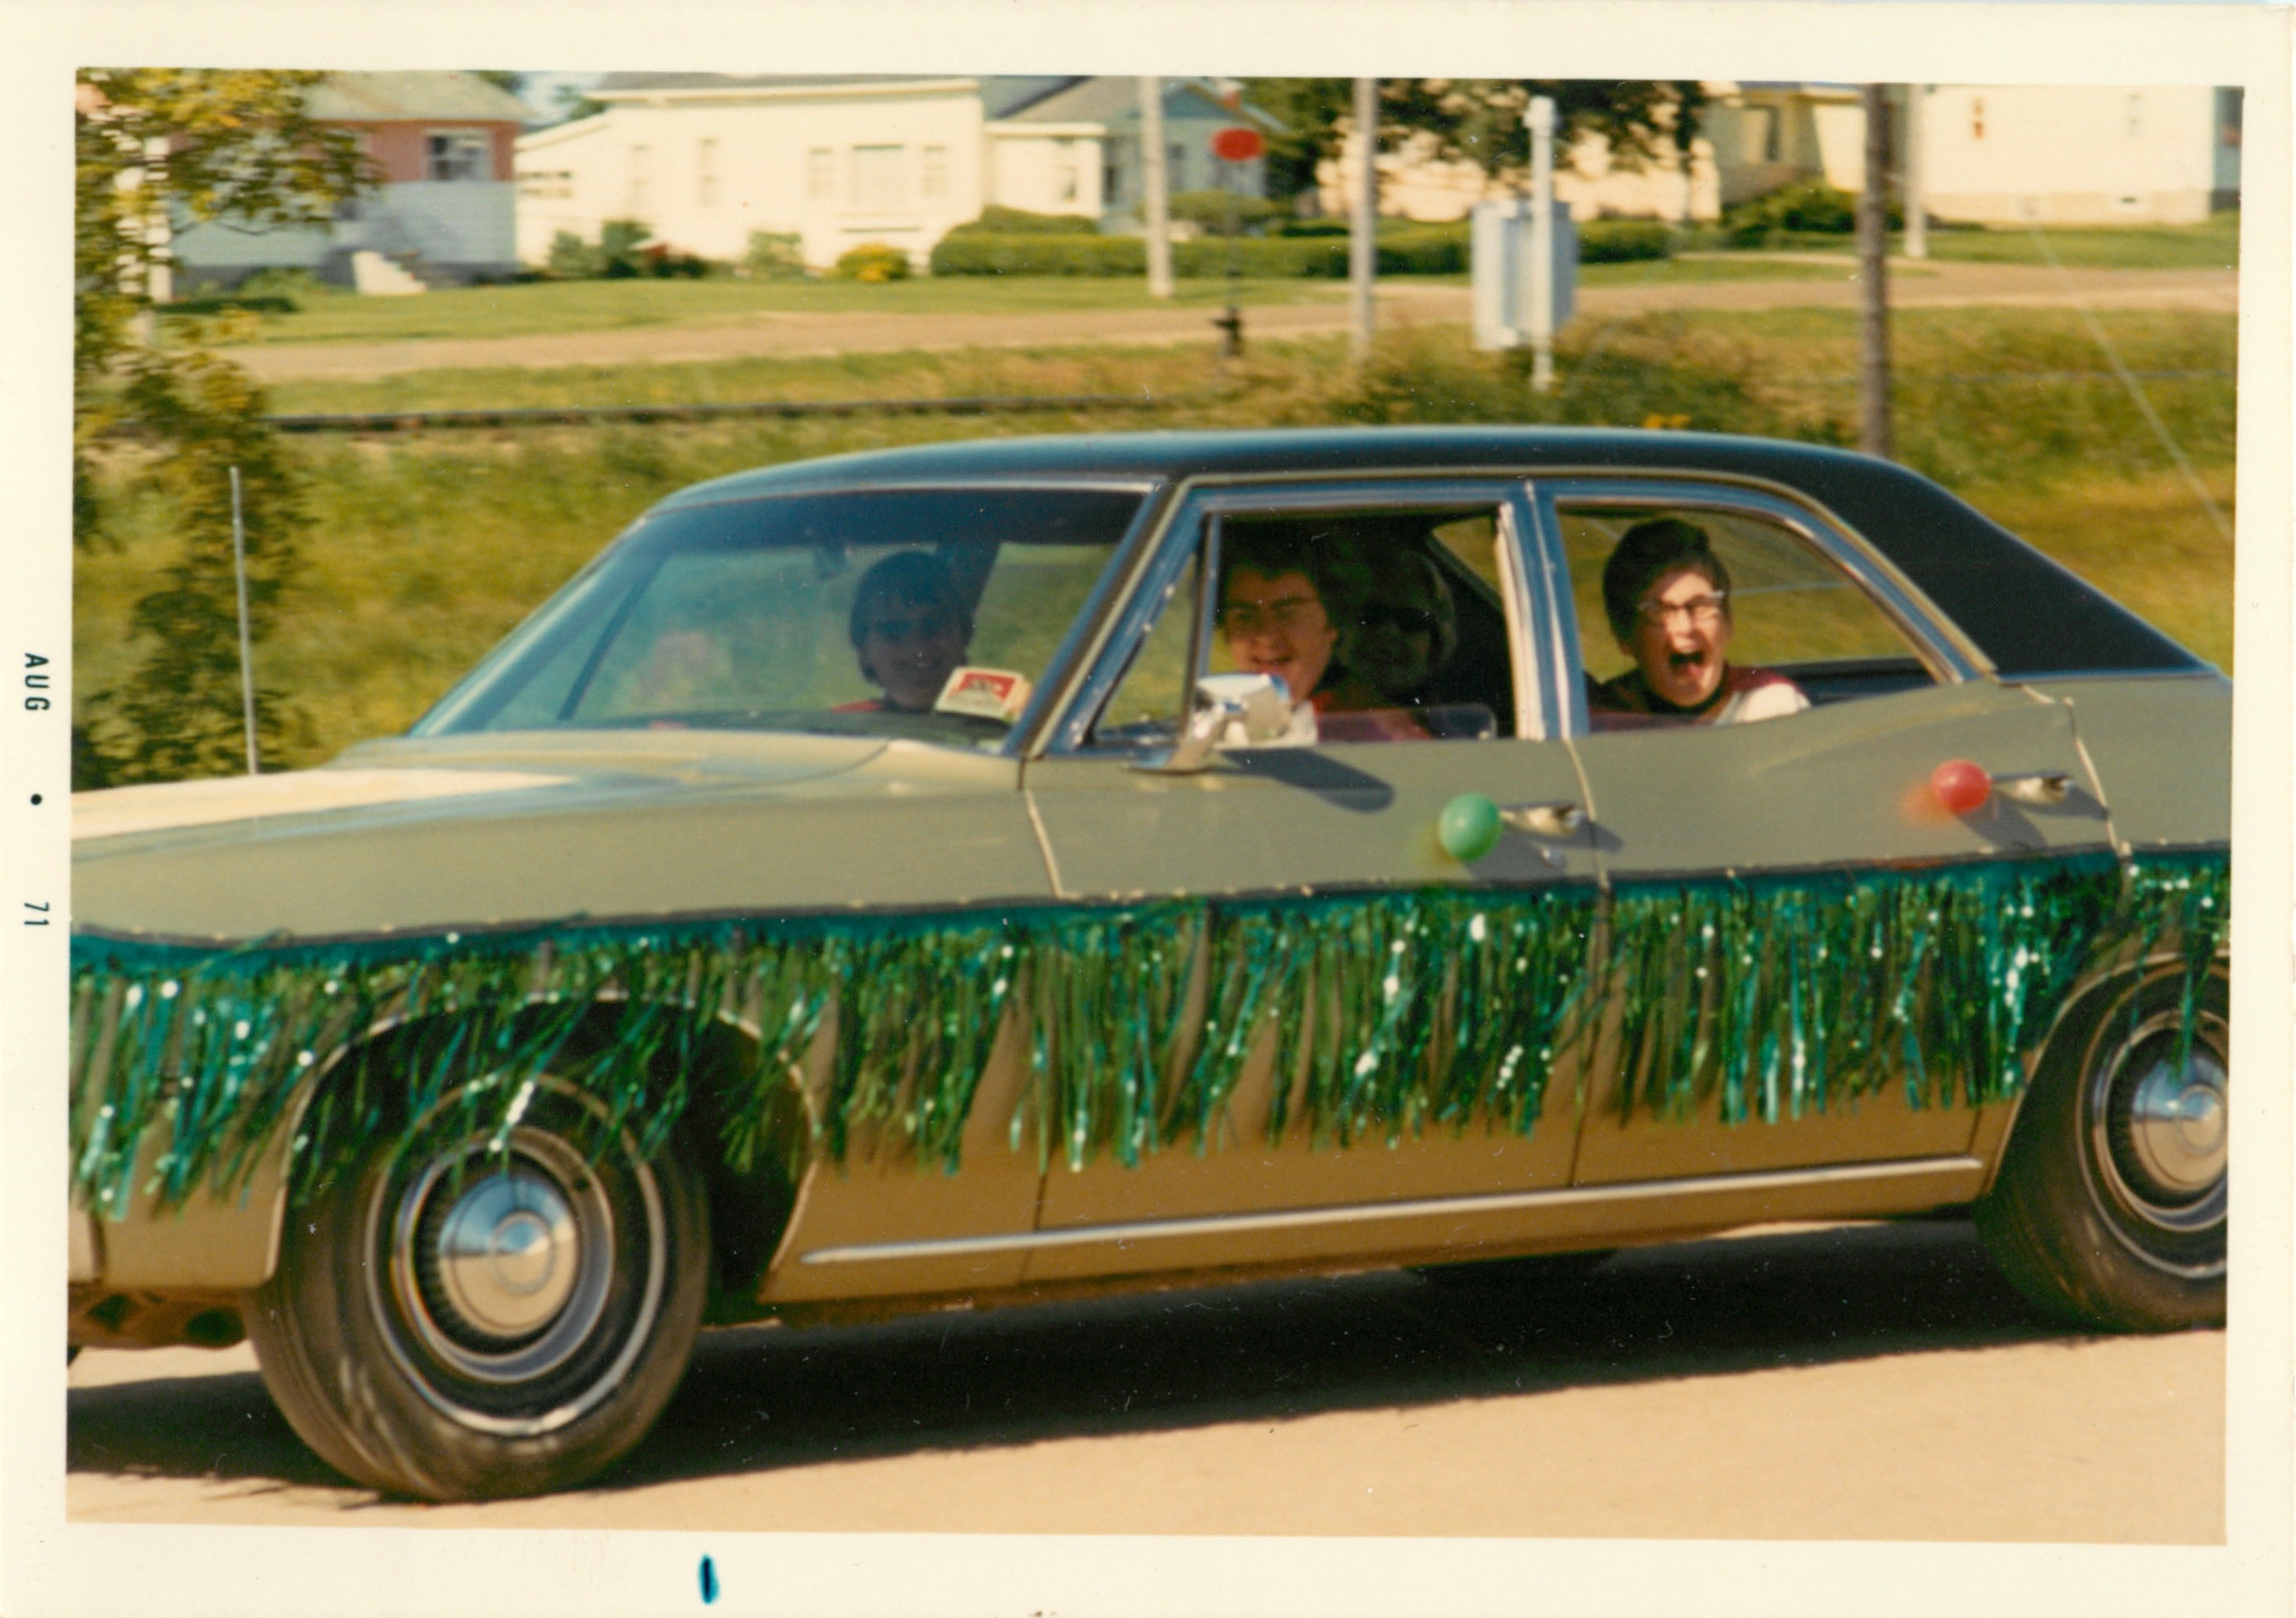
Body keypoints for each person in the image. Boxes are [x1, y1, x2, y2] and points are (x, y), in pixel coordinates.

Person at [1590, 517, 1809, 726]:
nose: (1686, 627)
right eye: (1659, 612)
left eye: (1701, 605)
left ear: (1727, 622)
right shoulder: (1600, 720)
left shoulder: (1771, 707)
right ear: (1624, 635)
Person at [1218, 533, 1423, 741]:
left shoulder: (1373, 732)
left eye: (1287, 615)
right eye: (1244, 617)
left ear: (1332, 622)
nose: (1266, 637)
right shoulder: (1220, 713)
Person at [843, 550, 972, 713]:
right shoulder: (835, 725)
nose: (919, 649)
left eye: (934, 626)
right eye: (893, 631)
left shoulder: (1000, 726)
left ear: (962, 636)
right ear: (864, 651)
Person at [1350, 546, 1457, 712]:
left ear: (1437, 645)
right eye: (1373, 615)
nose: (1388, 631)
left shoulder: (1444, 725)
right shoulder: (1313, 712)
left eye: (1411, 620)